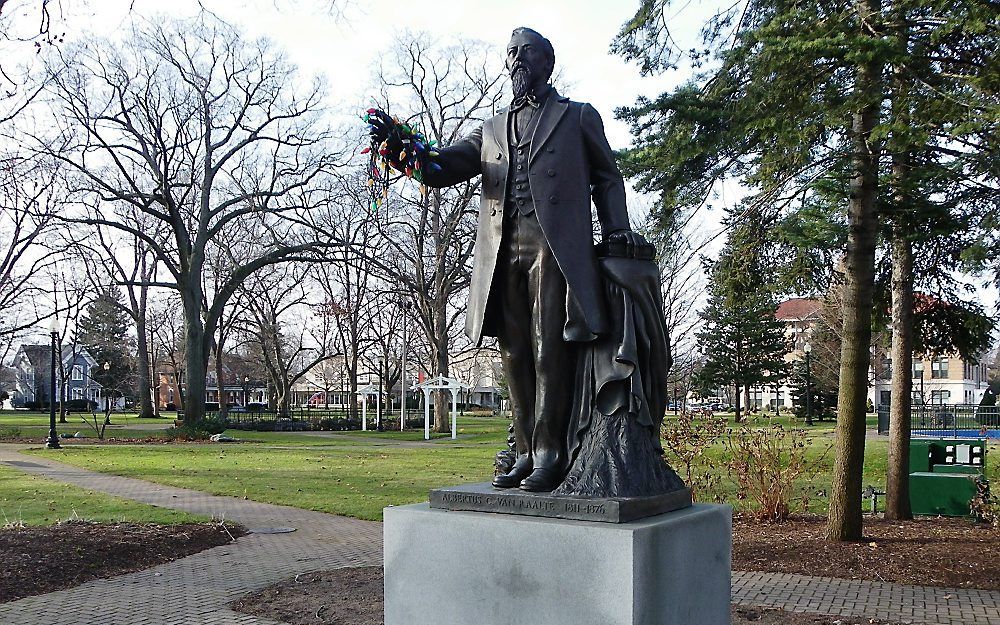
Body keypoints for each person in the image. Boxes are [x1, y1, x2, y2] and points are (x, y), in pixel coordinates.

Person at [371, 27, 643, 492]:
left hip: (553, 247)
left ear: (546, 62)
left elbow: (607, 177)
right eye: (511, 53)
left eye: (527, 53)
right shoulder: (492, 128)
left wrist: (616, 229)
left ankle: (549, 452)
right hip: (502, 250)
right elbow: (444, 167)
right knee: (514, 351)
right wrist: (406, 152)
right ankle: (521, 451)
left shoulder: (576, 117)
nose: (516, 60)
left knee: (548, 348)